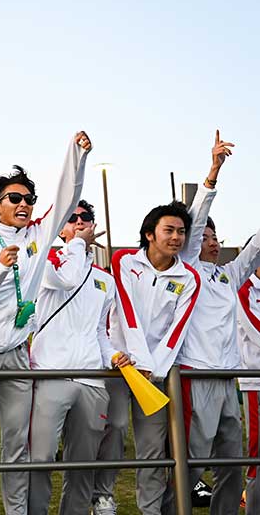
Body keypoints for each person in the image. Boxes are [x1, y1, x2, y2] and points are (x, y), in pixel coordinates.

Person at [0, 131, 92, 515]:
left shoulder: (39, 234)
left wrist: (77, 155)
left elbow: (66, 198)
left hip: (16, 352)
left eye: (29, 199)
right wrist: (0, 268)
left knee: (17, 443)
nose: (24, 204)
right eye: (15, 198)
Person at [174, 131, 260, 514]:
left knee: (232, 466)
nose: (211, 241)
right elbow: (193, 228)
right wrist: (213, 172)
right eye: (205, 237)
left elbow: (255, 249)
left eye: (214, 236)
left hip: (229, 379)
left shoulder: (227, 275)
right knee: (190, 464)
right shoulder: (187, 271)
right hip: (198, 377)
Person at [28, 199, 130, 514]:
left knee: (83, 464)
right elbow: (67, 279)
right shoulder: (45, 261)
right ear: (60, 229)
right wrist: (76, 244)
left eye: (85, 217)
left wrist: (112, 355)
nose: (80, 222)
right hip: (50, 374)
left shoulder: (105, 280)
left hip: (92, 380)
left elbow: (100, 330)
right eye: (71, 219)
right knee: (41, 458)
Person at [110, 200, 201, 515]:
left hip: (156, 375)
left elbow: (176, 332)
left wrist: (154, 369)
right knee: (112, 433)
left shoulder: (188, 277)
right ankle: (101, 498)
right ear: (150, 234)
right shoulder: (123, 260)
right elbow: (127, 314)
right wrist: (140, 361)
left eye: (181, 232)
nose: (176, 237)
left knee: (152, 450)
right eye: (169, 230)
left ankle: (149, 511)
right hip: (119, 367)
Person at [238, 247, 260, 515]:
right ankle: (253, 506)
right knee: (257, 447)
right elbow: (254, 331)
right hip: (255, 381)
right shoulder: (244, 289)